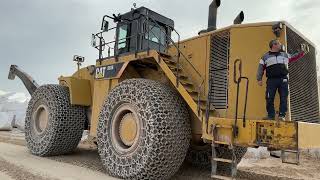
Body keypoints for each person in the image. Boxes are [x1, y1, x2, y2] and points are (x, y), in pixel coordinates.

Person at [256, 39, 309, 120]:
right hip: (271, 80)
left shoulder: (284, 55)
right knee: (269, 97)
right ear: (274, 45)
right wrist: (259, 79)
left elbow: (294, 56)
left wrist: (302, 52)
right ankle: (271, 115)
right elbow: (260, 68)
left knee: (284, 97)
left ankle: (282, 115)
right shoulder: (265, 57)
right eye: (279, 44)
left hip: (283, 79)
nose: (281, 45)